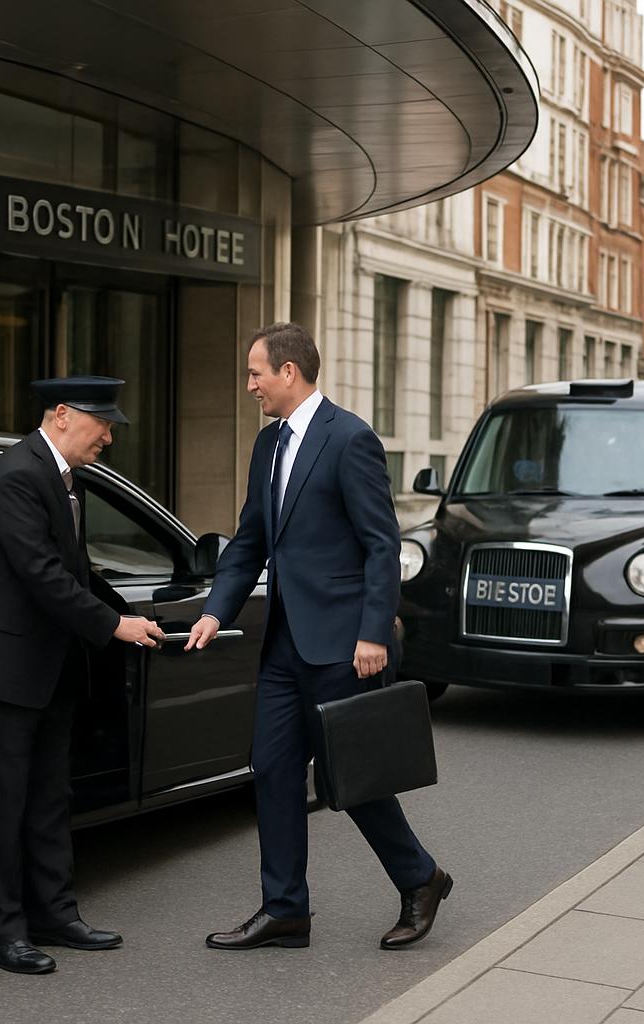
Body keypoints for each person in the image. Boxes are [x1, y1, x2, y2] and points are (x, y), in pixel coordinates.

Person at [185, 323, 451, 951]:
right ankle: (285, 910)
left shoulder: (350, 438)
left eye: (256, 373)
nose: (249, 384)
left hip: (341, 642)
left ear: (289, 373)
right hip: (283, 643)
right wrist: (217, 611)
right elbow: (251, 537)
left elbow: (381, 545)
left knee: (350, 777)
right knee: (273, 770)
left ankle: (421, 879)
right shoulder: (268, 444)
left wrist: (372, 632)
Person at [0, 376, 165, 975]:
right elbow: (42, 574)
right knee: (2, 805)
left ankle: (55, 915)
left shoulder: (66, 479)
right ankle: (1, 933)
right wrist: (112, 627)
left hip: (48, 668)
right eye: (104, 423)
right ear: (64, 415)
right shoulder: (17, 475)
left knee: (48, 798)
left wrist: (127, 616)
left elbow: (74, 571)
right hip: (0, 671)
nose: (110, 437)